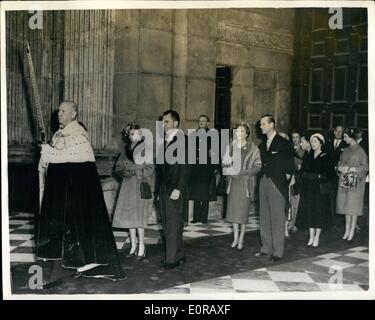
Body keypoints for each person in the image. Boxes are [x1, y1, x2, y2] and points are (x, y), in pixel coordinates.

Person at [36, 101, 125, 281]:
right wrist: (46, 156)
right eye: (59, 111)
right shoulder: (59, 133)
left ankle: (87, 265)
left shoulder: (78, 134)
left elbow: (70, 158)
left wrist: (49, 153)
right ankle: (67, 265)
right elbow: (58, 161)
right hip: (63, 194)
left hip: (78, 195)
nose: (59, 114)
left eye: (63, 111)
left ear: (74, 114)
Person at [254, 115, 295, 262]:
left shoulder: (283, 143)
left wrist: (289, 181)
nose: (261, 127)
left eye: (264, 124)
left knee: (277, 218)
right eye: (260, 124)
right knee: (264, 216)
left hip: (277, 183)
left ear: (272, 125)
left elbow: (291, 166)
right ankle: (266, 248)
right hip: (264, 181)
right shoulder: (262, 145)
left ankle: (278, 252)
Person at [112, 122, 155, 260]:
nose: (134, 136)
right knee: (130, 218)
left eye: (137, 133)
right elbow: (117, 167)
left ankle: (142, 246)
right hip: (127, 186)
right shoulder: (125, 150)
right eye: (131, 134)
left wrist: (135, 170)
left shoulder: (145, 150)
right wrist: (123, 171)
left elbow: (150, 168)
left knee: (139, 219)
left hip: (139, 186)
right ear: (128, 136)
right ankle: (133, 246)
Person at [157, 109, 190, 270]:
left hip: (175, 187)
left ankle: (172, 259)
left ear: (175, 123)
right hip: (165, 187)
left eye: (167, 121)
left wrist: (178, 188)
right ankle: (179, 254)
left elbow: (185, 167)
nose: (164, 125)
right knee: (168, 222)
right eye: (163, 121)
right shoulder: (166, 141)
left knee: (172, 223)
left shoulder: (183, 139)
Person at [222, 122, 261, 251]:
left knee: (242, 213)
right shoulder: (231, 146)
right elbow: (224, 163)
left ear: (247, 133)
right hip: (233, 183)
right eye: (237, 131)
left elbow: (258, 165)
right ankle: (235, 237)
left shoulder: (253, 147)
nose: (239, 133)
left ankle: (241, 239)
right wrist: (229, 169)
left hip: (245, 183)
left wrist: (246, 173)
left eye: (242, 131)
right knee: (233, 212)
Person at [296, 133, 335, 247]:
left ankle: (317, 236)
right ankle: (311, 236)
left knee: (319, 213)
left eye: (315, 141)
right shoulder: (308, 156)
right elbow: (302, 171)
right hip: (309, 189)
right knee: (310, 212)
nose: (313, 144)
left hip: (319, 190)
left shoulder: (326, 156)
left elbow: (330, 174)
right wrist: (306, 175)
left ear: (321, 143)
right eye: (311, 141)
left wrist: (319, 176)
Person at [336, 128, 369, 241]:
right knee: (346, 205)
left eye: (345, 137)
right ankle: (347, 230)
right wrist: (339, 168)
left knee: (353, 206)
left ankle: (352, 231)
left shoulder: (360, 151)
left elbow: (365, 167)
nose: (344, 139)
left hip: (356, 181)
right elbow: (339, 163)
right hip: (346, 179)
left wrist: (351, 168)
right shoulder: (345, 150)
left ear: (351, 137)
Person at [189, 115, 217, 224]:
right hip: (196, 167)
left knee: (205, 192)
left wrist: (214, 167)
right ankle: (196, 217)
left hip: (206, 167)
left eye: (204, 121)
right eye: (200, 121)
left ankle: (204, 217)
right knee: (196, 192)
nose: (201, 123)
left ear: (208, 123)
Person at [287, 130, 305, 234]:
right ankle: (289, 223)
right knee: (289, 201)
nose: (295, 139)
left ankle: (293, 223)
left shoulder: (303, 150)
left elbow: (302, 164)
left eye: (297, 137)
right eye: (293, 137)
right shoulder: (288, 149)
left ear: (300, 138)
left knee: (295, 201)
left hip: (298, 178)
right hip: (289, 177)